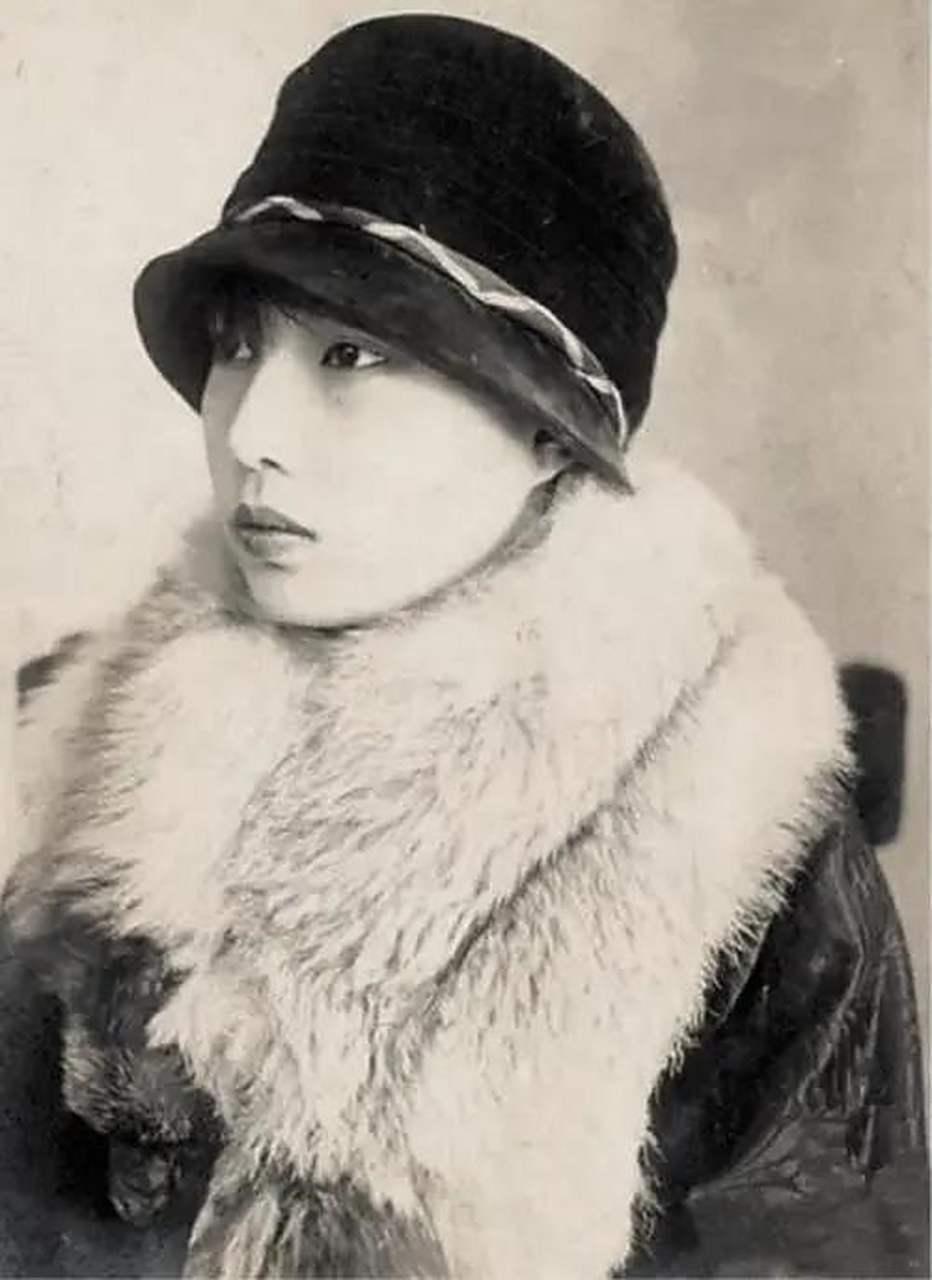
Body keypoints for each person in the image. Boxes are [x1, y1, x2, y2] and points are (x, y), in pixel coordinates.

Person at [1, 13, 927, 1278]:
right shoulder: (104, 776)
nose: (251, 428)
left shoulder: (731, 826)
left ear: (547, 432)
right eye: (235, 346)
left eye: (350, 354)